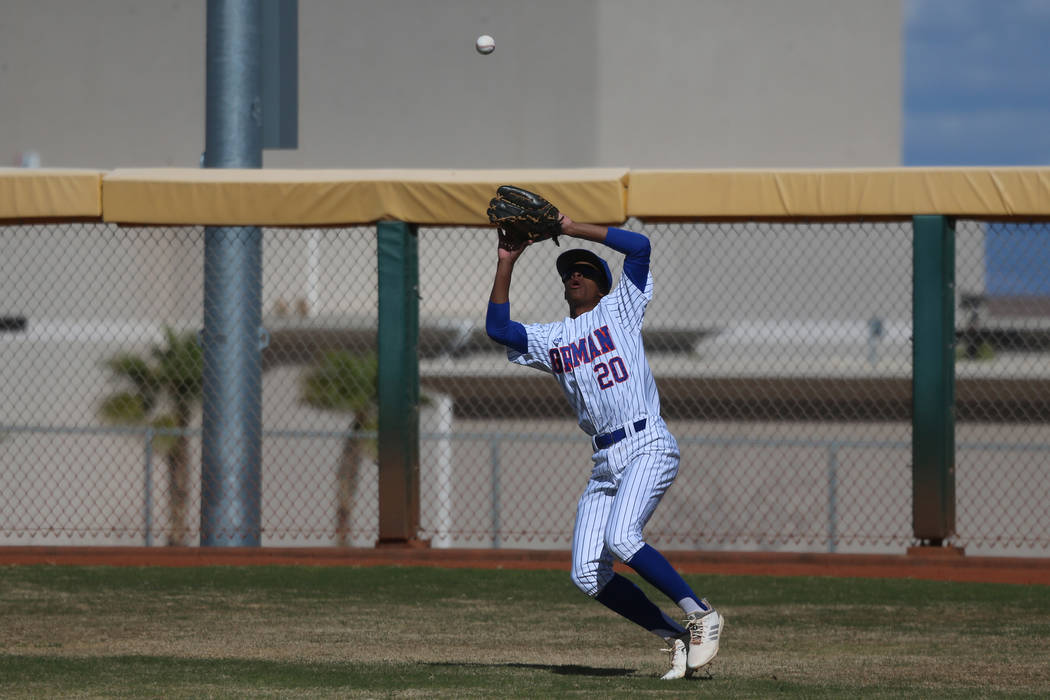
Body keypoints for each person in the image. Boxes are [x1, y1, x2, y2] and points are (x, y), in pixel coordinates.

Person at [485, 208, 724, 679]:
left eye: (586, 271)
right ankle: (674, 636)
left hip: (647, 442)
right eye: (570, 271)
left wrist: (570, 228)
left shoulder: (622, 308)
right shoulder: (553, 339)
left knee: (622, 537)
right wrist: (506, 261)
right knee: (587, 574)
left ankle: (702, 614)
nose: (576, 275)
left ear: (602, 285)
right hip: (605, 461)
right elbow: (499, 330)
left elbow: (640, 247)